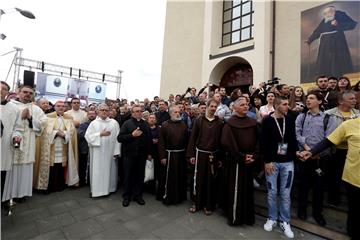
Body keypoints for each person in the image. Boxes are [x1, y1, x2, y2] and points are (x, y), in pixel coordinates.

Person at [298, 117, 360, 240]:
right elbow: (328, 141)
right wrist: (311, 152)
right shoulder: (349, 124)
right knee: (355, 211)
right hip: (353, 179)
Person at [295, 91, 336, 226]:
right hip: (304, 158)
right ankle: (302, 210)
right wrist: (307, 149)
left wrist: (315, 152)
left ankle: (318, 213)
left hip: (321, 159)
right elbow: (297, 134)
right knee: (303, 186)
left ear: (319, 101)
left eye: (312, 98)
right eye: (307, 98)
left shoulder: (328, 118)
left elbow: (329, 138)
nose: (308, 100)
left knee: (319, 188)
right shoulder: (301, 117)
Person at [3, 85, 47, 202]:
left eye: (30, 93)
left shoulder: (36, 109)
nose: (27, 94)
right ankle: (7, 195)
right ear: (18, 92)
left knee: (24, 169)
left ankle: (21, 194)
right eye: (25, 92)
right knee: (10, 168)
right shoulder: (10, 106)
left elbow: (43, 124)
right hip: (11, 143)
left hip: (28, 145)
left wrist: (30, 117)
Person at [261, 97, 297, 239]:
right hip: (272, 163)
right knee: (272, 191)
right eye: (284, 104)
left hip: (288, 162)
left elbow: (293, 139)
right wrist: (267, 161)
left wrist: (296, 153)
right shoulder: (267, 120)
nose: (287, 106)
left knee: (285, 193)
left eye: (288, 104)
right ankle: (272, 218)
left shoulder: (290, 119)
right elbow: (264, 142)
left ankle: (285, 221)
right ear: (276, 105)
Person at [221, 97, 259, 226]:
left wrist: (254, 155)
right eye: (242, 105)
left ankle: (247, 217)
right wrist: (241, 156)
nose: (245, 106)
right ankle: (235, 217)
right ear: (234, 107)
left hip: (249, 161)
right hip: (236, 161)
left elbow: (259, 141)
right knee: (236, 189)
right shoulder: (229, 123)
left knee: (248, 190)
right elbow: (228, 143)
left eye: (247, 104)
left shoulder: (253, 122)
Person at [187, 99, 223, 215]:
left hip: (213, 155)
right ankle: (197, 203)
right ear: (207, 107)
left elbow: (221, 141)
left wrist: (220, 158)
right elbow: (193, 138)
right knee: (198, 179)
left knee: (210, 181)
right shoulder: (199, 121)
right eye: (211, 106)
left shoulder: (219, 122)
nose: (213, 108)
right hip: (200, 154)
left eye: (215, 106)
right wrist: (191, 154)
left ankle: (209, 205)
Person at [34, 101, 78, 192]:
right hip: (50, 146)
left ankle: (60, 185)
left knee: (61, 166)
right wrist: (55, 132)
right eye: (58, 106)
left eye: (63, 106)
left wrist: (65, 134)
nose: (61, 108)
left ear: (65, 108)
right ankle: (49, 186)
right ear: (54, 107)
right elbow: (44, 132)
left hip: (63, 145)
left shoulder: (69, 118)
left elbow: (72, 132)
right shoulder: (47, 117)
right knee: (51, 166)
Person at [324, 91, 359, 206]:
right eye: (351, 99)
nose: (355, 100)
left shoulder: (358, 114)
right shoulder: (328, 114)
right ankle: (334, 199)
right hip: (335, 150)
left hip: (352, 152)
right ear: (341, 101)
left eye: (355, 99)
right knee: (334, 176)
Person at [306, 6, 357, 77]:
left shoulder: (340, 15)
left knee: (336, 61)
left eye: (328, 13)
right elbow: (318, 31)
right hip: (325, 44)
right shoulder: (325, 20)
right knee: (325, 61)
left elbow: (352, 24)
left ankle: (337, 76)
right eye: (325, 13)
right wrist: (310, 39)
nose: (326, 15)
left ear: (334, 11)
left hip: (337, 42)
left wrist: (338, 24)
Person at [118, 105, 152, 207]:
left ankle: (138, 196)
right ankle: (126, 197)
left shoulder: (145, 124)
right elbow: (119, 138)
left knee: (139, 176)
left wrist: (149, 153)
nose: (139, 112)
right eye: (136, 111)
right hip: (129, 155)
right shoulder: (127, 123)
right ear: (132, 113)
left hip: (141, 155)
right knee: (128, 176)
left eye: (140, 111)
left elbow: (149, 140)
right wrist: (132, 135)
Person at [85, 104, 120, 197]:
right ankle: (97, 191)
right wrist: (100, 134)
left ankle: (110, 189)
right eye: (102, 110)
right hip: (97, 153)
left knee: (110, 170)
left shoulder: (114, 123)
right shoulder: (94, 123)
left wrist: (117, 151)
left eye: (106, 110)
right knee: (97, 170)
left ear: (109, 112)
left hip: (110, 152)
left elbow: (118, 138)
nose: (104, 112)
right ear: (98, 112)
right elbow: (88, 136)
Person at [158, 105, 188, 204]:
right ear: (170, 113)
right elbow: (161, 142)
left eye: (179, 112)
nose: (178, 113)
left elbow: (186, 141)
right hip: (169, 155)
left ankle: (179, 197)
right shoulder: (165, 125)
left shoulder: (183, 124)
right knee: (168, 177)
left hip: (181, 156)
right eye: (175, 112)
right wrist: (162, 156)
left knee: (180, 177)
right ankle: (168, 197)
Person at [0, 81, 22, 202]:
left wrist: (16, 136)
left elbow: (17, 128)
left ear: (7, 93)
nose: (0, 90)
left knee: (1, 176)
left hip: (3, 148)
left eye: (4, 89)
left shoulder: (14, 109)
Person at [77, 110, 97, 186]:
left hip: (95, 149)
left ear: (96, 115)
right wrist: (92, 135)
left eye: (93, 114)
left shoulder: (97, 124)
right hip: (85, 148)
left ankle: (91, 180)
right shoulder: (83, 125)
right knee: (83, 165)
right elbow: (80, 134)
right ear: (87, 115)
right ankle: (83, 181)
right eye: (90, 114)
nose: (92, 115)